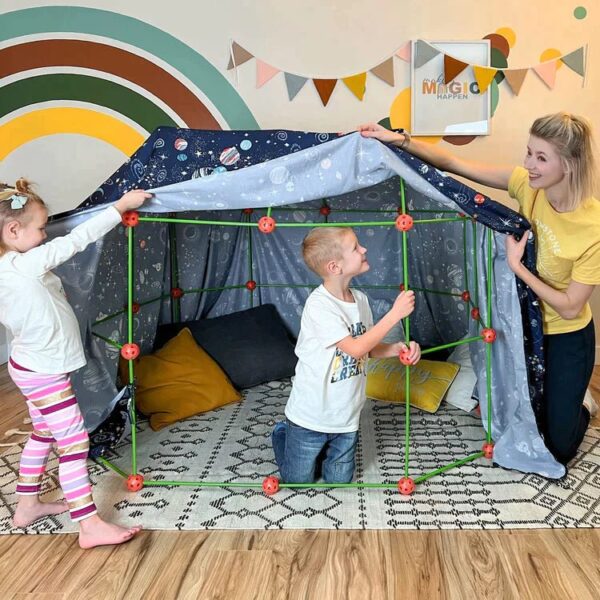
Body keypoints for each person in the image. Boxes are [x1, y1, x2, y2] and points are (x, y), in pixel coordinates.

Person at [358, 112, 600, 465]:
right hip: (522, 327)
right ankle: (553, 401)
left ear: (571, 164)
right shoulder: (526, 186)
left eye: (541, 158)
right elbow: (455, 163)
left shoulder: (592, 227)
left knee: (558, 447)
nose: (528, 164)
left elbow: (570, 307)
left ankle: (581, 403)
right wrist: (402, 141)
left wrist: (518, 267)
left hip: (566, 335)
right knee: (518, 426)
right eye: (529, 152)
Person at [0, 178, 152, 547]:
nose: (45, 235)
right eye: (40, 228)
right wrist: (119, 207)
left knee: (43, 434)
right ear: (13, 229)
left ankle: (27, 505)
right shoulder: (24, 265)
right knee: (73, 444)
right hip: (45, 373)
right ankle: (89, 525)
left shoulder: (10, 269)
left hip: (30, 366)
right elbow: (75, 241)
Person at [272, 226, 421, 483]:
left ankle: (319, 452)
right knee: (298, 482)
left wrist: (397, 349)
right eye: (355, 247)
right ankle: (282, 433)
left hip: (346, 416)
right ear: (335, 267)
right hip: (310, 415)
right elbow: (354, 348)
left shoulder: (360, 300)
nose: (364, 249)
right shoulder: (319, 305)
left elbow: (368, 346)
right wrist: (394, 314)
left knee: (339, 481)